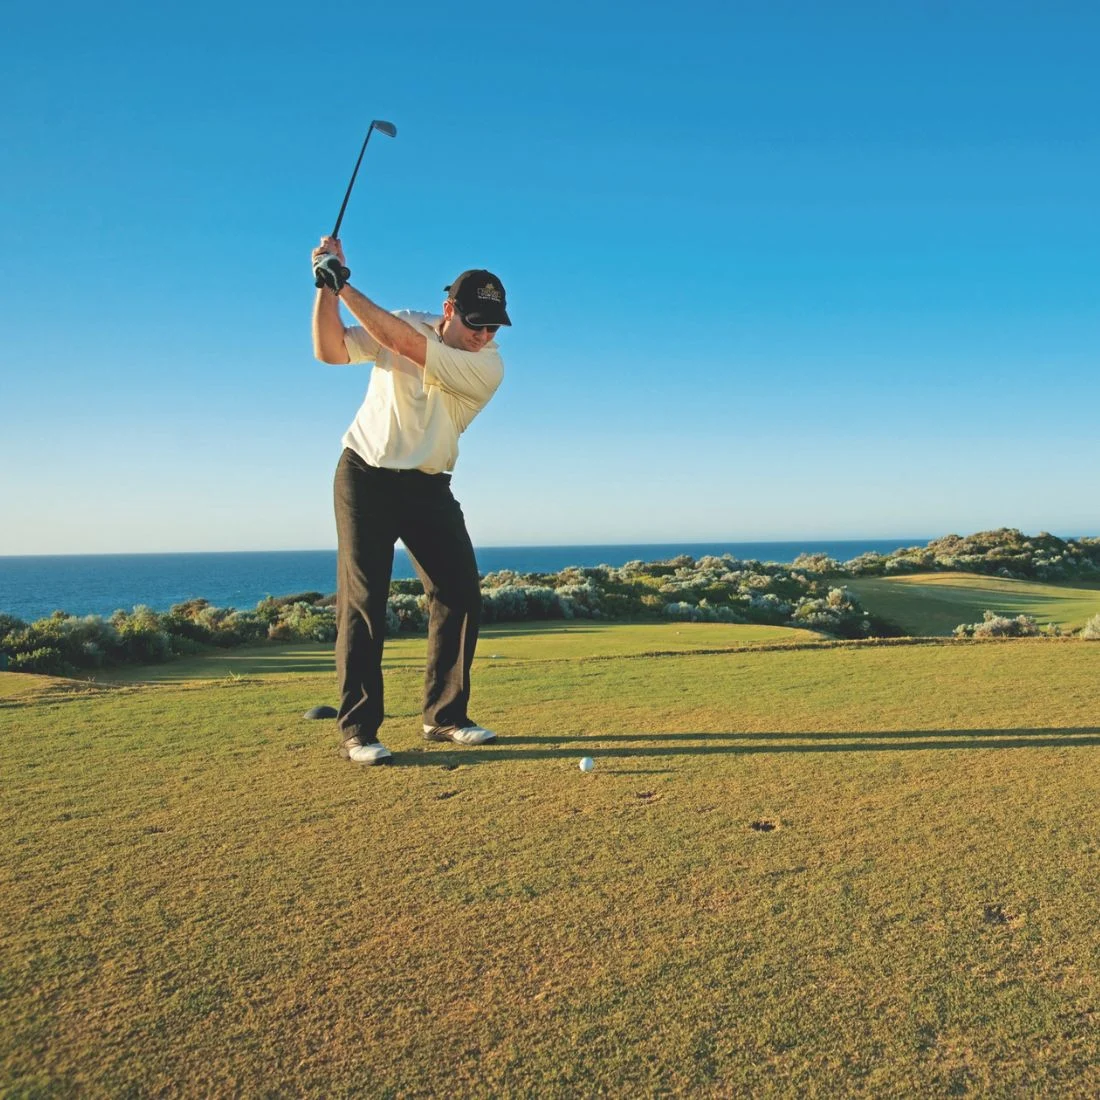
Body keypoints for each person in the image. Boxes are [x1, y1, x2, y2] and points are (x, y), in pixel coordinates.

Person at [311, 236, 510, 765]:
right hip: (364, 475)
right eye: (475, 323)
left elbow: (405, 346)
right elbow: (329, 351)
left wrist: (343, 281)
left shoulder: (487, 366)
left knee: (460, 592)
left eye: (493, 326)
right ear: (449, 310)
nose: (484, 336)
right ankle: (357, 731)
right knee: (364, 601)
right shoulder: (402, 320)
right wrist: (326, 290)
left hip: (428, 483)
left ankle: (444, 716)